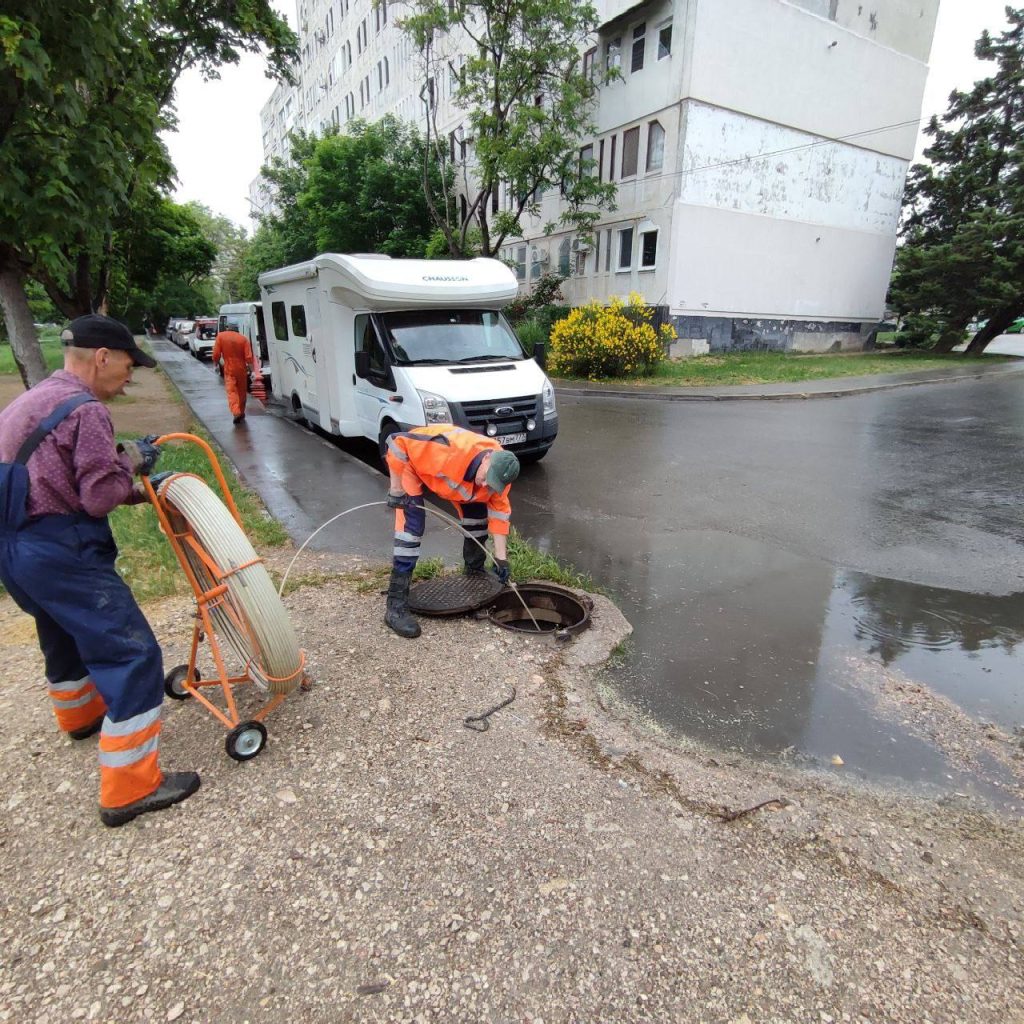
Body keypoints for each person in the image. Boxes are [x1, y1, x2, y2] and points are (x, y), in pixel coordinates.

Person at [0, 314, 200, 827]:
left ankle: (81, 717)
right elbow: (98, 496)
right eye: (129, 367)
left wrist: (120, 463)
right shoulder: (87, 410)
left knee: (61, 632)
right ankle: (130, 788)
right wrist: (134, 468)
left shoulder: (35, 399)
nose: (129, 379)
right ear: (103, 357)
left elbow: (53, 470)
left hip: (16, 546)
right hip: (60, 547)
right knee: (132, 652)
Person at [383, 423, 521, 638]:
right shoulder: (446, 449)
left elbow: (500, 514)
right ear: (486, 459)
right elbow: (396, 442)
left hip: (457, 484)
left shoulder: (501, 475)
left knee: (478, 520)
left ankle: (474, 573)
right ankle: (395, 606)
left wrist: (501, 559)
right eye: (486, 478)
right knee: (411, 530)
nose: (486, 485)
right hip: (414, 468)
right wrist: (396, 488)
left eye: (492, 484)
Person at [212, 324, 261, 424]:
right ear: (237, 330)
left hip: (229, 368)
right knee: (242, 391)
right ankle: (241, 412)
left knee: (231, 391)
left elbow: (216, 354)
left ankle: (236, 411)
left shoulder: (221, 336)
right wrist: (252, 371)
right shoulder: (243, 339)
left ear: (227, 328)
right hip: (241, 369)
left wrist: (216, 362)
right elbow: (248, 357)